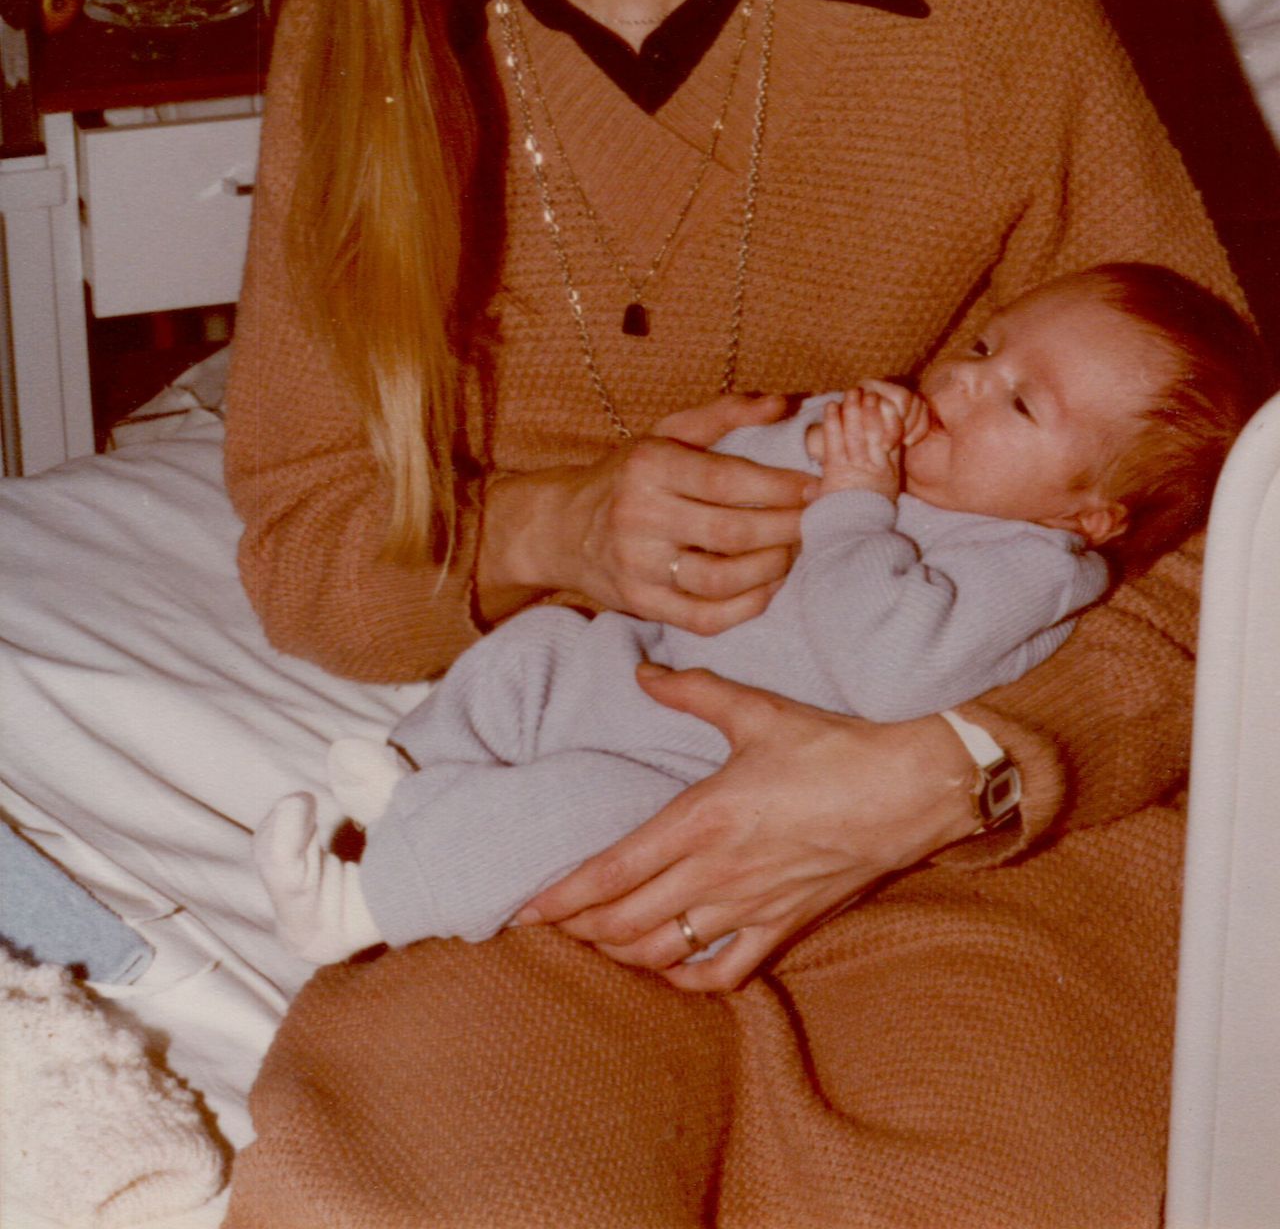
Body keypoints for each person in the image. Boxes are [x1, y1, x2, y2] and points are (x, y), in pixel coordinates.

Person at [222, 0, 1258, 1229]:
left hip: (982, 844)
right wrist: (552, 528)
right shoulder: (357, 56)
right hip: (569, 814)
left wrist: (960, 770)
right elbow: (310, 545)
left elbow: (1235, 532)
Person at [252, 263, 1264, 965]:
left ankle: (360, 905)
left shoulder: (1031, 565)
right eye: (982, 345)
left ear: (1089, 510)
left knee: (584, 811)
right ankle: (421, 780)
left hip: (704, 776)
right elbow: (732, 489)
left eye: (1018, 406)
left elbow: (889, 669)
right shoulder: (904, 452)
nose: (959, 383)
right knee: (540, 651)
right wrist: (790, 445)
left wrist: (855, 495)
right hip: (638, 674)